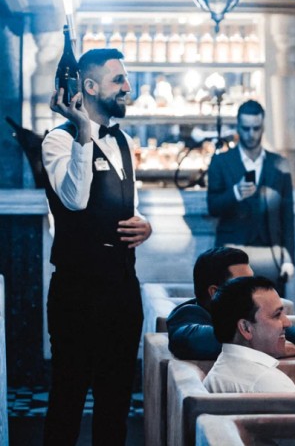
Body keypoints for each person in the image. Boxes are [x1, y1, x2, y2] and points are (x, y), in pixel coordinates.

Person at [42, 48, 153, 445]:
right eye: (118, 80)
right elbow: (75, 200)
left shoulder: (124, 140)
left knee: (115, 404)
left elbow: (128, 206)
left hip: (122, 288)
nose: (127, 87)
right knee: (67, 400)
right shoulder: (57, 140)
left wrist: (145, 225)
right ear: (89, 86)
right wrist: (83, 133)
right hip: (78, 292)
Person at [167, 247, 295, 360]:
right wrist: (272, 347)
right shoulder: (187, 314)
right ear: (215, 292)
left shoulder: (238, 311)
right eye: (243, 283)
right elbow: (200, 339)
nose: (252, 289)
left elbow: (284, 326)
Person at [207, 100, 295, 298]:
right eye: (246, 128)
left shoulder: (279, 163)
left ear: (263, 127)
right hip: (232, 252)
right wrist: (236, 193)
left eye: (256, 128)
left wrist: (289, 258)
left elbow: (287, 215)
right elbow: (212, 206)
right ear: (238, 127)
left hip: (270, 252)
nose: (251, 134)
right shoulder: (221, 162)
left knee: (271, 308)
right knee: (233, 308)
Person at [203, 276, 295, 393]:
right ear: (245, 328)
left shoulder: (217, 373)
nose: (288, 323)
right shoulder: (270, 383)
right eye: (277, 315)